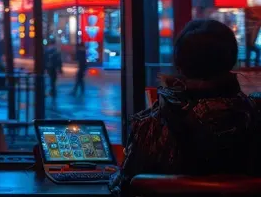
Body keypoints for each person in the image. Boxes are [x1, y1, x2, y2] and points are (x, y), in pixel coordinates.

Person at [109, 19, 261, 197]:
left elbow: (125, 187)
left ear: (179, 64)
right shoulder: (255, 116)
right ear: (232, 61)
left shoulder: (150, 128)